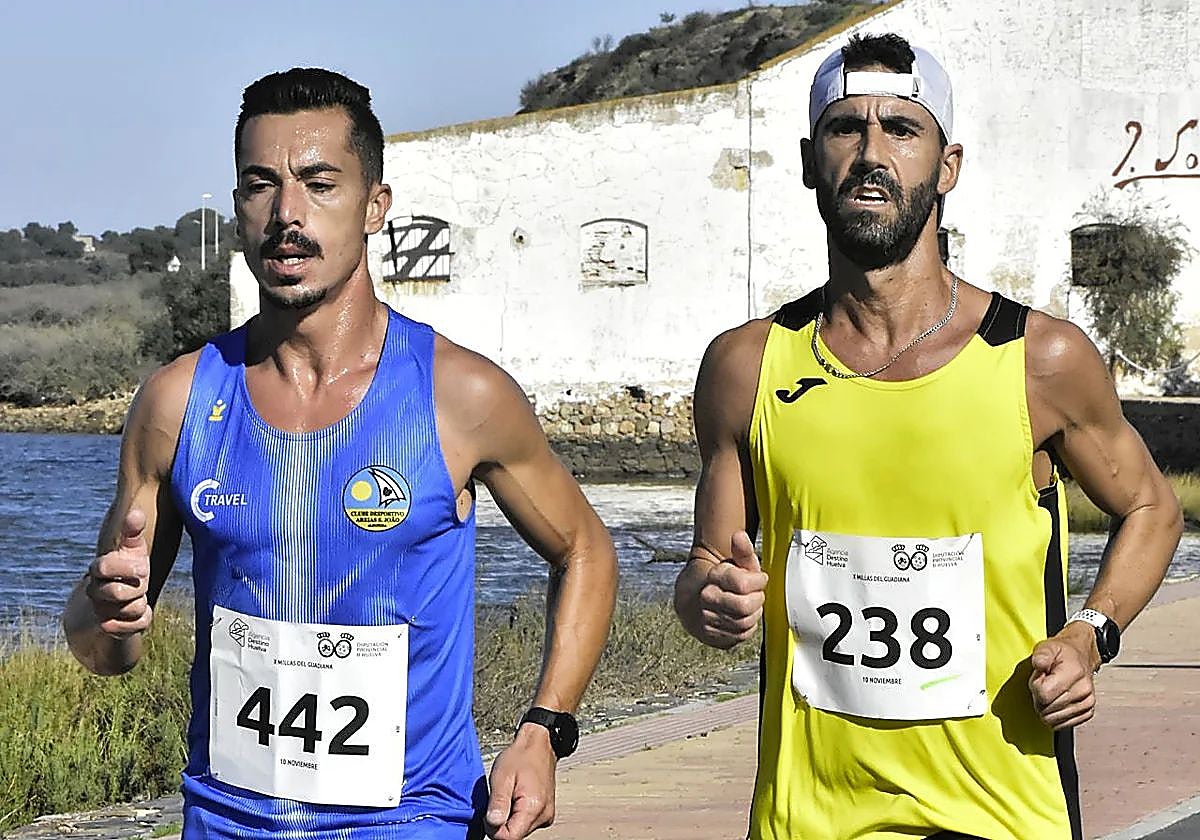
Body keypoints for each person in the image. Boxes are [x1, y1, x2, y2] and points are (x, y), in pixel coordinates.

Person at [62, 68, 618, 840]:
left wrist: (544, 729)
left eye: (319, 184)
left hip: (412, 820)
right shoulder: (177, 402)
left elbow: (586, 549)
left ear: (375, 206)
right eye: (261, 185)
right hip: (225, 823)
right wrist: (107, 615)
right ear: (238, 206)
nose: (287, 214)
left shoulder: (460, 396)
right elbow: (102, 650)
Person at [674, 33, 1182, 840]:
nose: (872, 153)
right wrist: (708, 599)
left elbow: (1153, 508)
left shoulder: (1037, 358)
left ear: (947, 167)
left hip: (1004, 814)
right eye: (847, 128)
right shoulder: (746, 366)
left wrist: (1091, 634)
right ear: (809, 161)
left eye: (902, 130)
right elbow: (708, 561)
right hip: (809, 818)